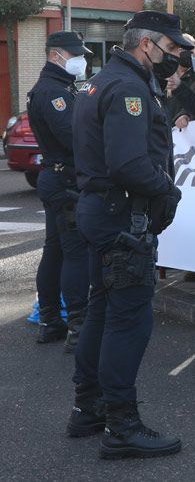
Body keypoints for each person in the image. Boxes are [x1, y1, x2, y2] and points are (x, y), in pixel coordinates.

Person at [69, 10, 189, 458]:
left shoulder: (104, 80)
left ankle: (89, 408)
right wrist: (168, 190)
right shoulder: (128, 88)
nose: (175, 58)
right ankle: (121, 426)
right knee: (128, 320)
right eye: (171, 50)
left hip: (104, 211)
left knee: (102, 311)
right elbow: (129, 164)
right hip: (121, 216)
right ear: (148, 44)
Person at [27, 31, 91, 351]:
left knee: (55, 251)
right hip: (65, 182)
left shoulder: (59, 87)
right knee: (74, 252)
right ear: (56, 55)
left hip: (57, 179)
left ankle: (50, 321)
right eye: (75, 53)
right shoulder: (54, 92)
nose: (81, 59)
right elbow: (72, 137)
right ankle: (78, 327)